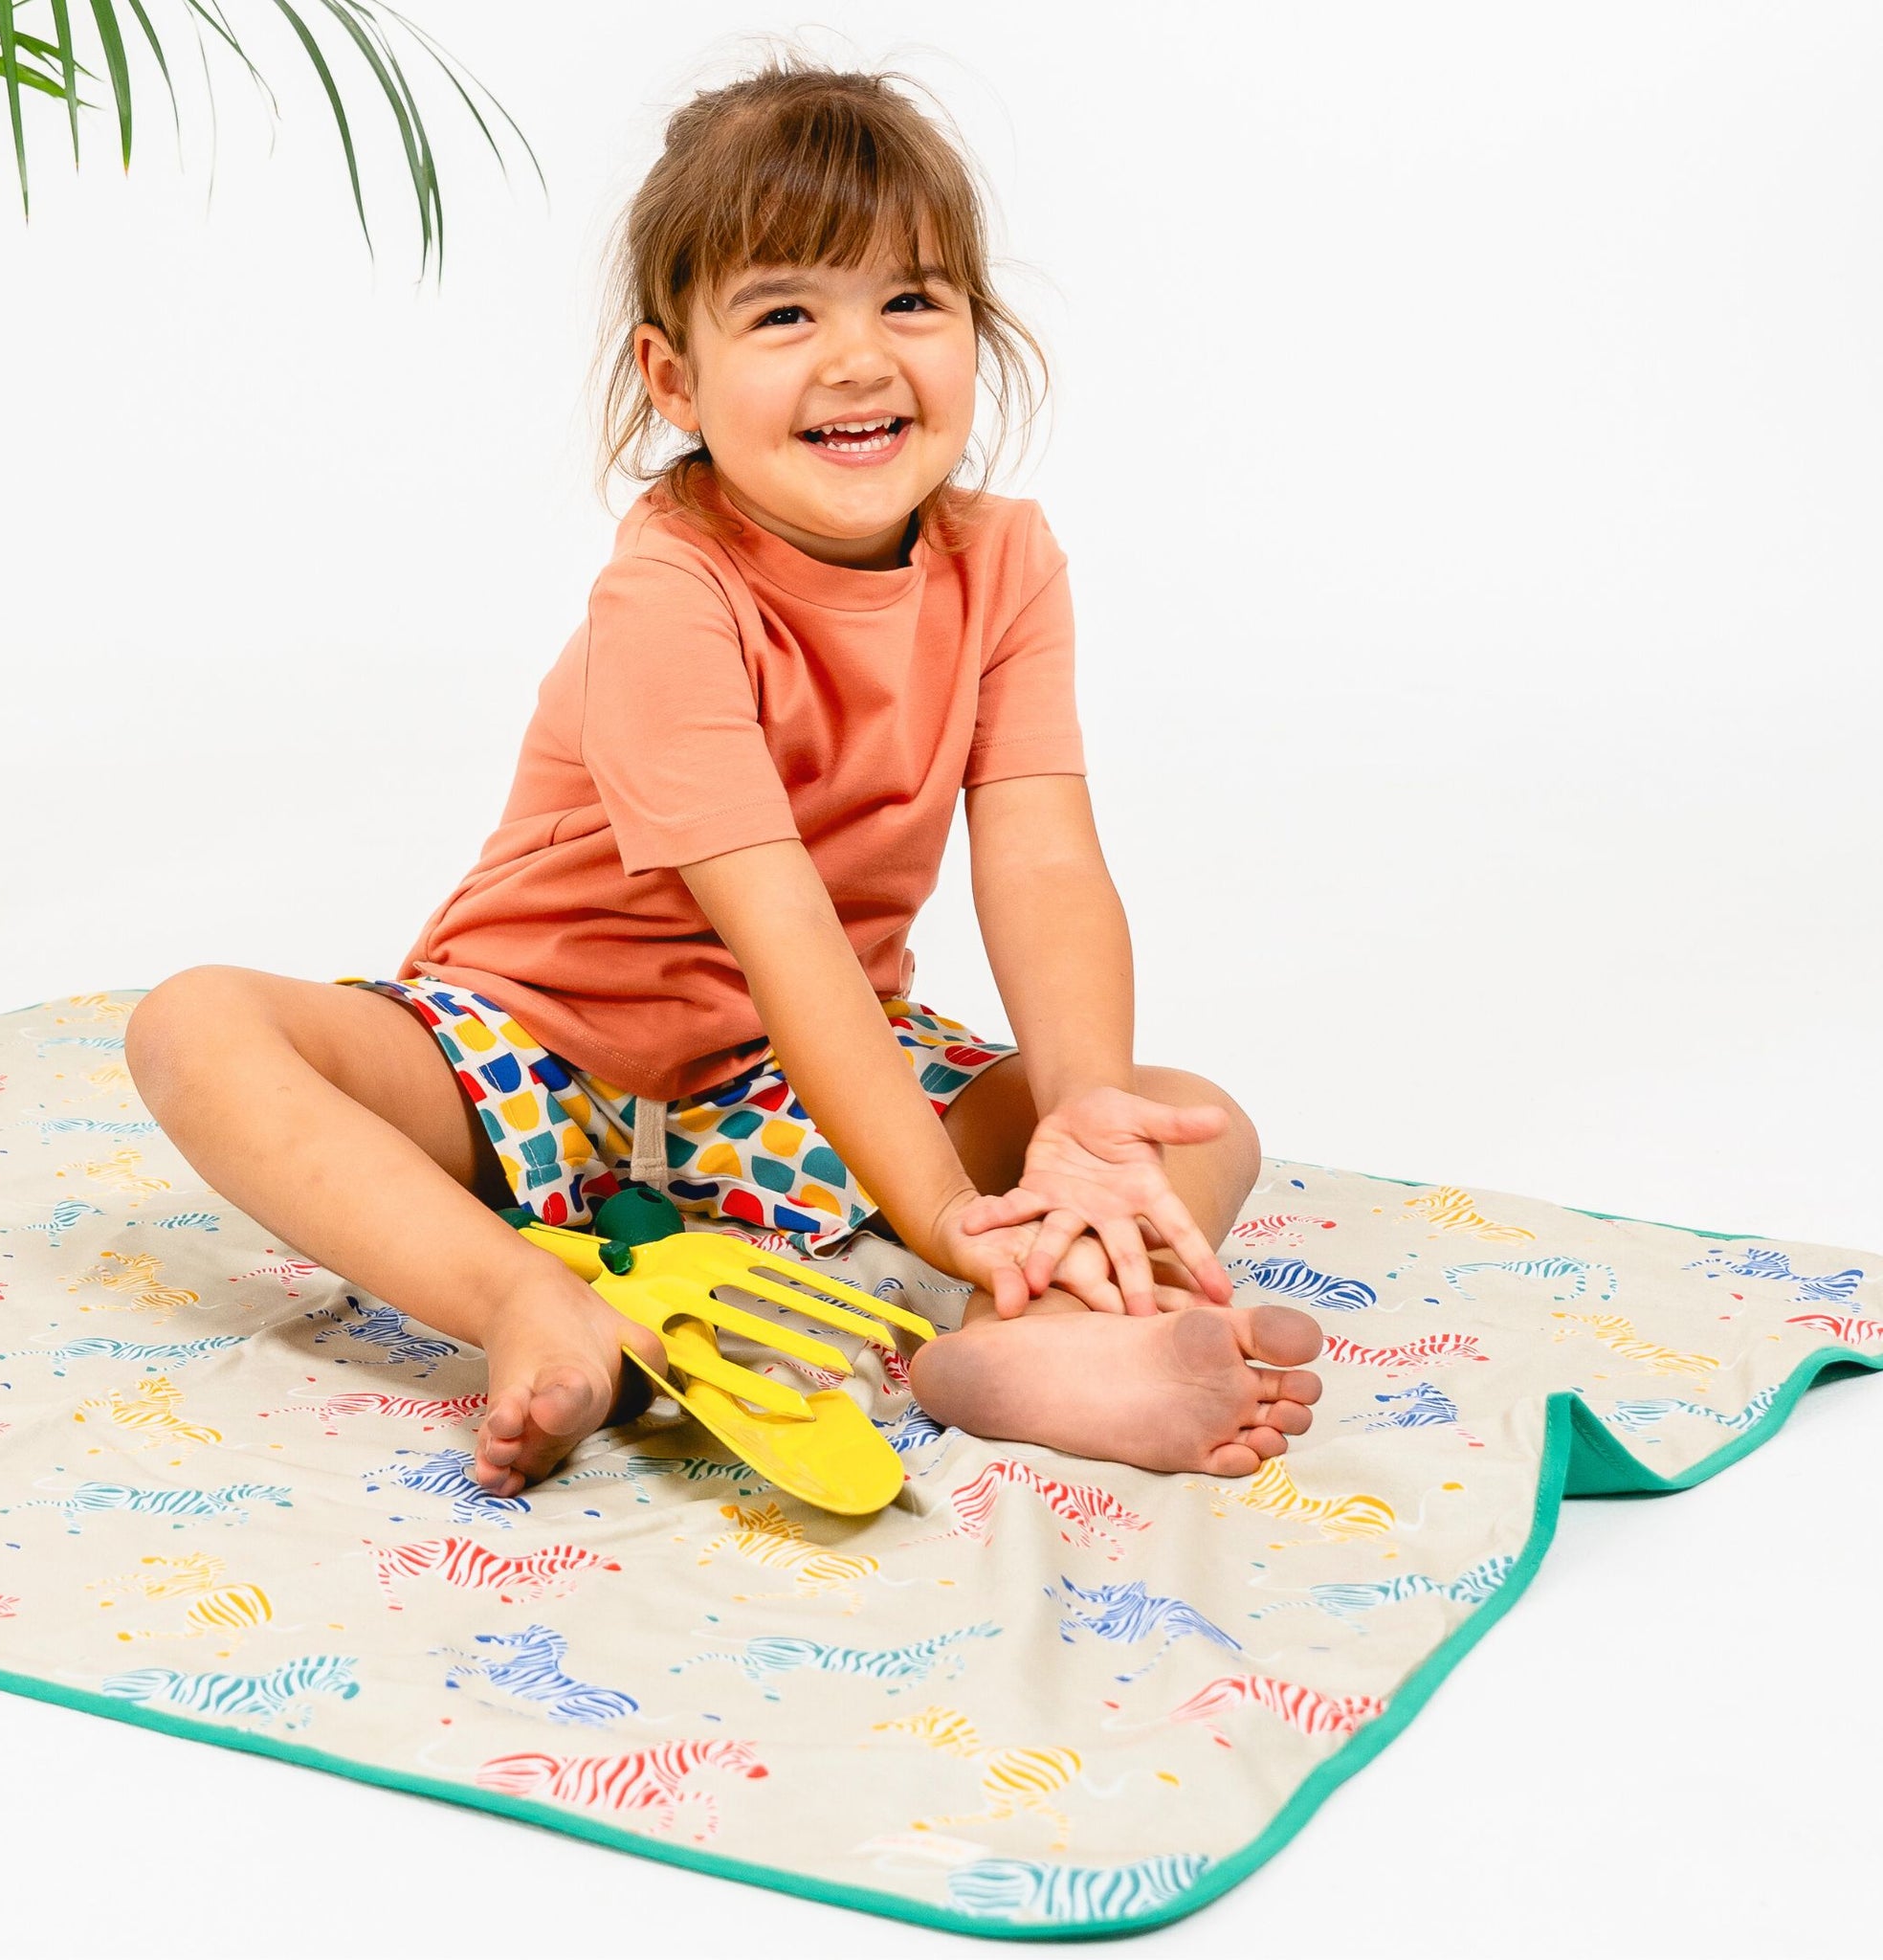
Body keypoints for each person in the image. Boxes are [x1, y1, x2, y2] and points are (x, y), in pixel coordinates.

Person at [125, 53, 1323, 1501]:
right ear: (673, 376)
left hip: (794, 1089)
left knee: (1188, 1116)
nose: (860, 357)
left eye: (911, 300)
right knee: (197, 1029)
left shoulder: (1006, 563)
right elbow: (784, 929)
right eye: (785, 313)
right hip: (531, 1052)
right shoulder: (671, 594)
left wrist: (1077, 1120)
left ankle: (1030, 1344)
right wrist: (940, 1214)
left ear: (975, 329)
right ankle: (522, 1299)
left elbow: (1045, 862)